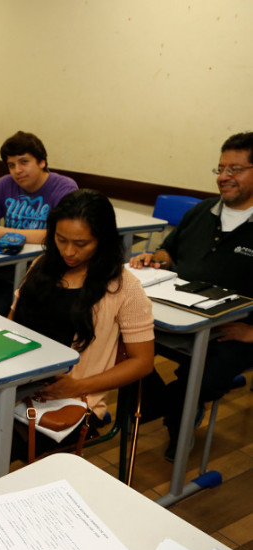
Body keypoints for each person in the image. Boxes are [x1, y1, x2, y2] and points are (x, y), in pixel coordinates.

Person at [0, 189, 154, 518]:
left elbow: (143, 362)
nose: (69, 251)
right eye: (61, 240)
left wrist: (77, 387)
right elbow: (13, 325)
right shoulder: (43, 266)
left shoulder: (124, 287)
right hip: (12, 378)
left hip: (65, 397)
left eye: (81, 244)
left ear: (103, 240)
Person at [130, 131, 253, 461]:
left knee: (200, 378)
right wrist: (156, 258)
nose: (224, 178)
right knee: (123, 340)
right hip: (178, 318)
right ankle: (169, 404)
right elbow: (171, 250)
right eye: (220, 169)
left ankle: (174, 413)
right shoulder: (202, 212)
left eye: (235, 170)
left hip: (233, 335)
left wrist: (251, 333)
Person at [0, 131, 78, 315]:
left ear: (42, 162)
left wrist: (0, 231)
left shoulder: (64, 188)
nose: (17, 170)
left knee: (0, 309)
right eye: (11, 165)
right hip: (2, 261)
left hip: (38, 268)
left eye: (24, 162)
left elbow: (57, 236)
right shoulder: (6, 184)